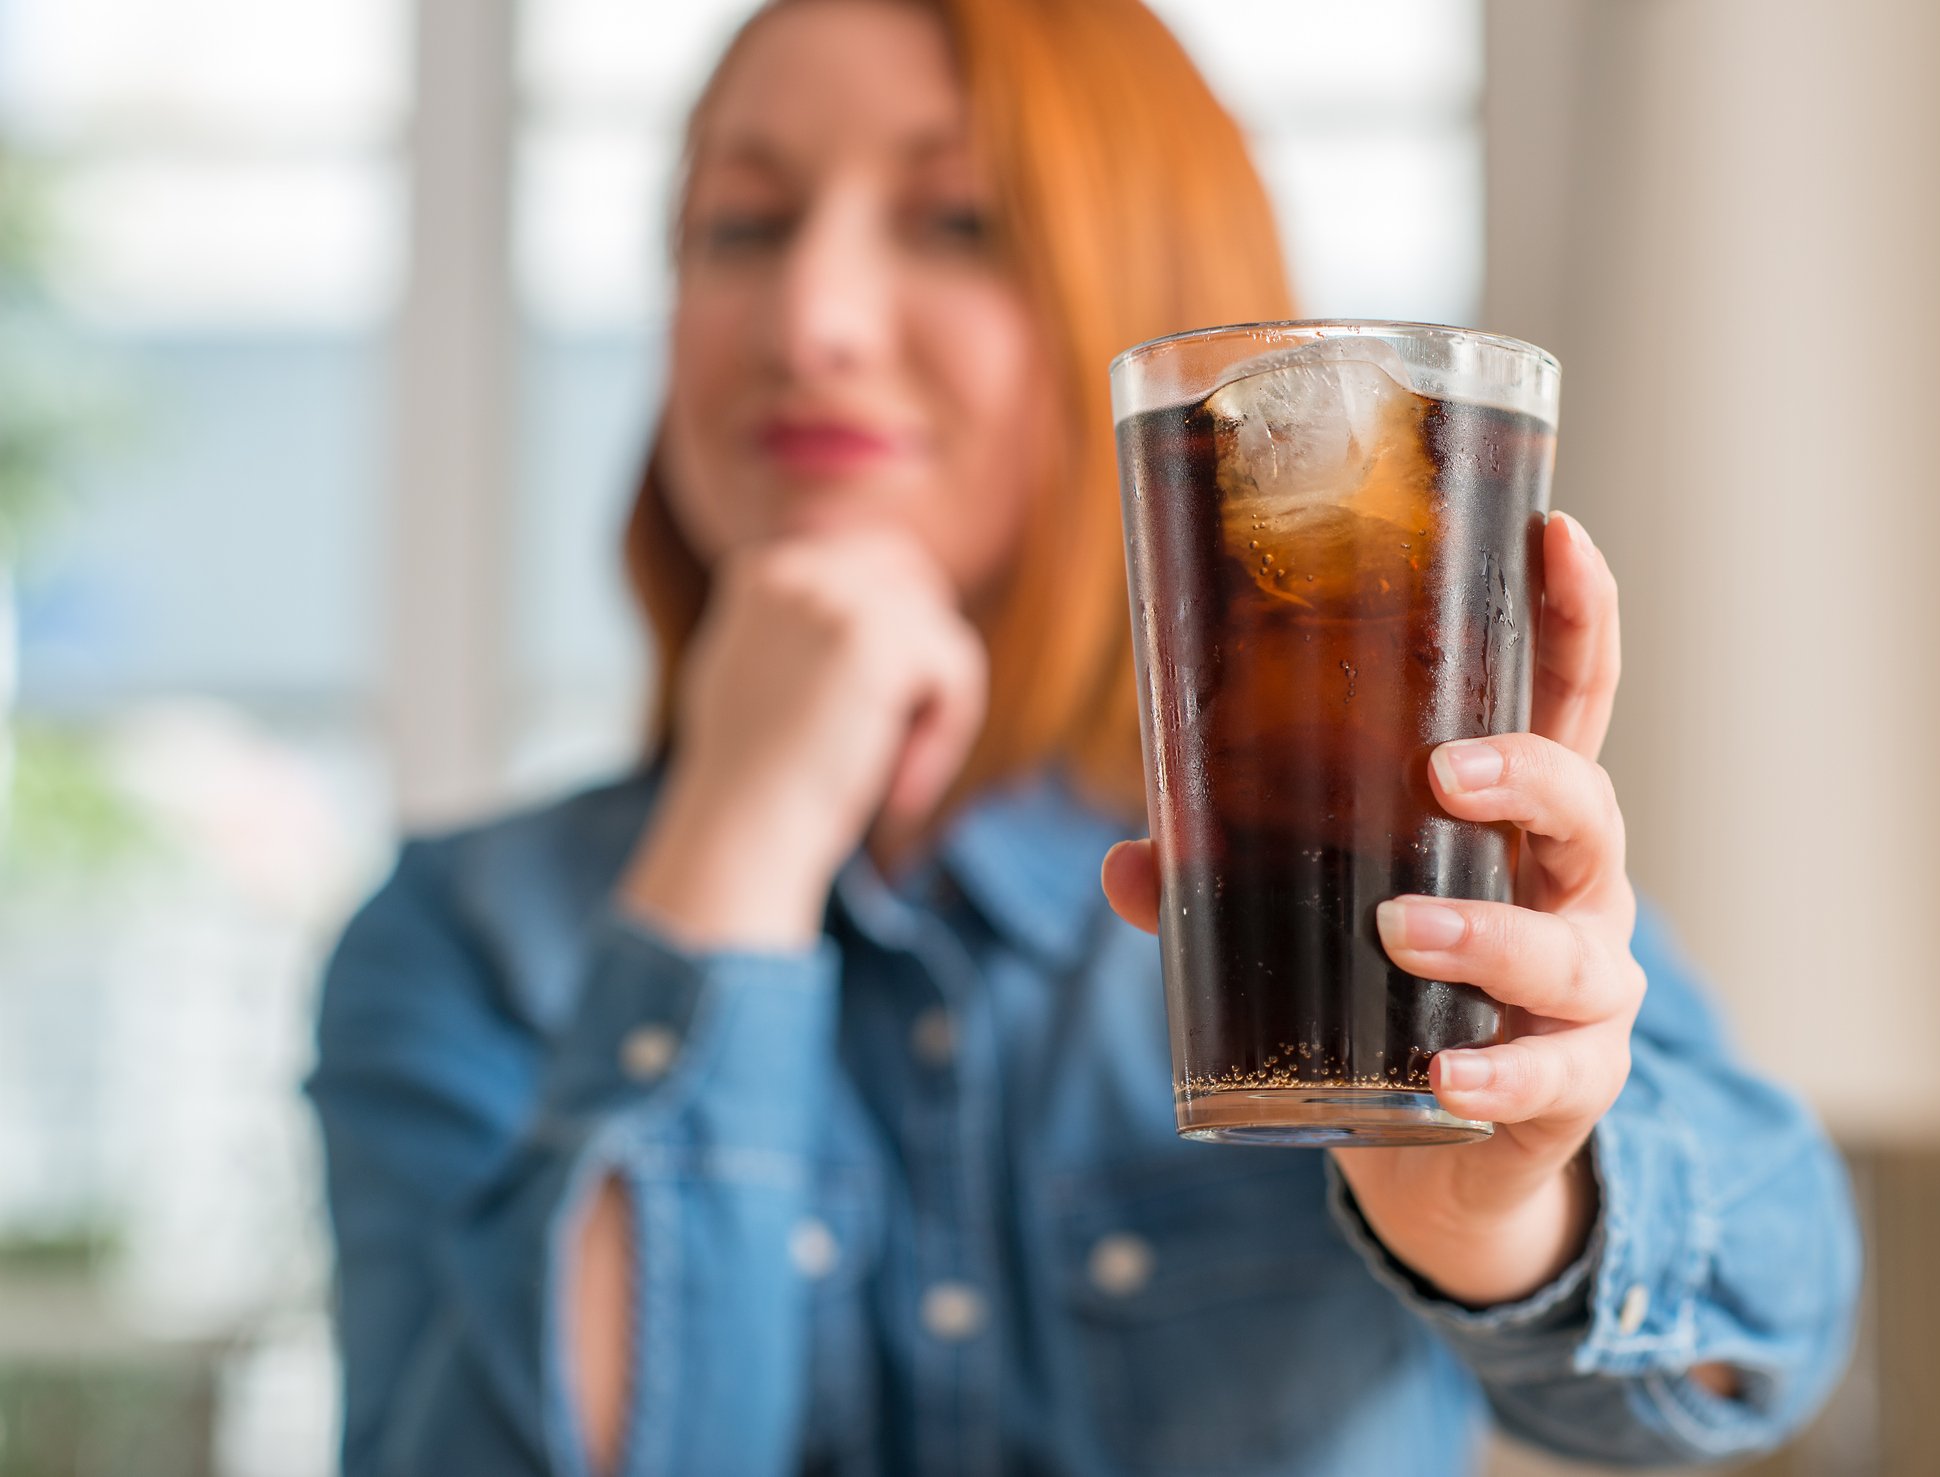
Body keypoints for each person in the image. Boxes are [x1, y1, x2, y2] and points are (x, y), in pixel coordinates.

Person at [306, 1, 1861, 1473]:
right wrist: (743, 828)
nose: (811, 317)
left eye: (956, 220)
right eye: (743, 226)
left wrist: (1501, 1215)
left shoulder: (1361, 871)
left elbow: (1771, 1322)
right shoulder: (464, 940)